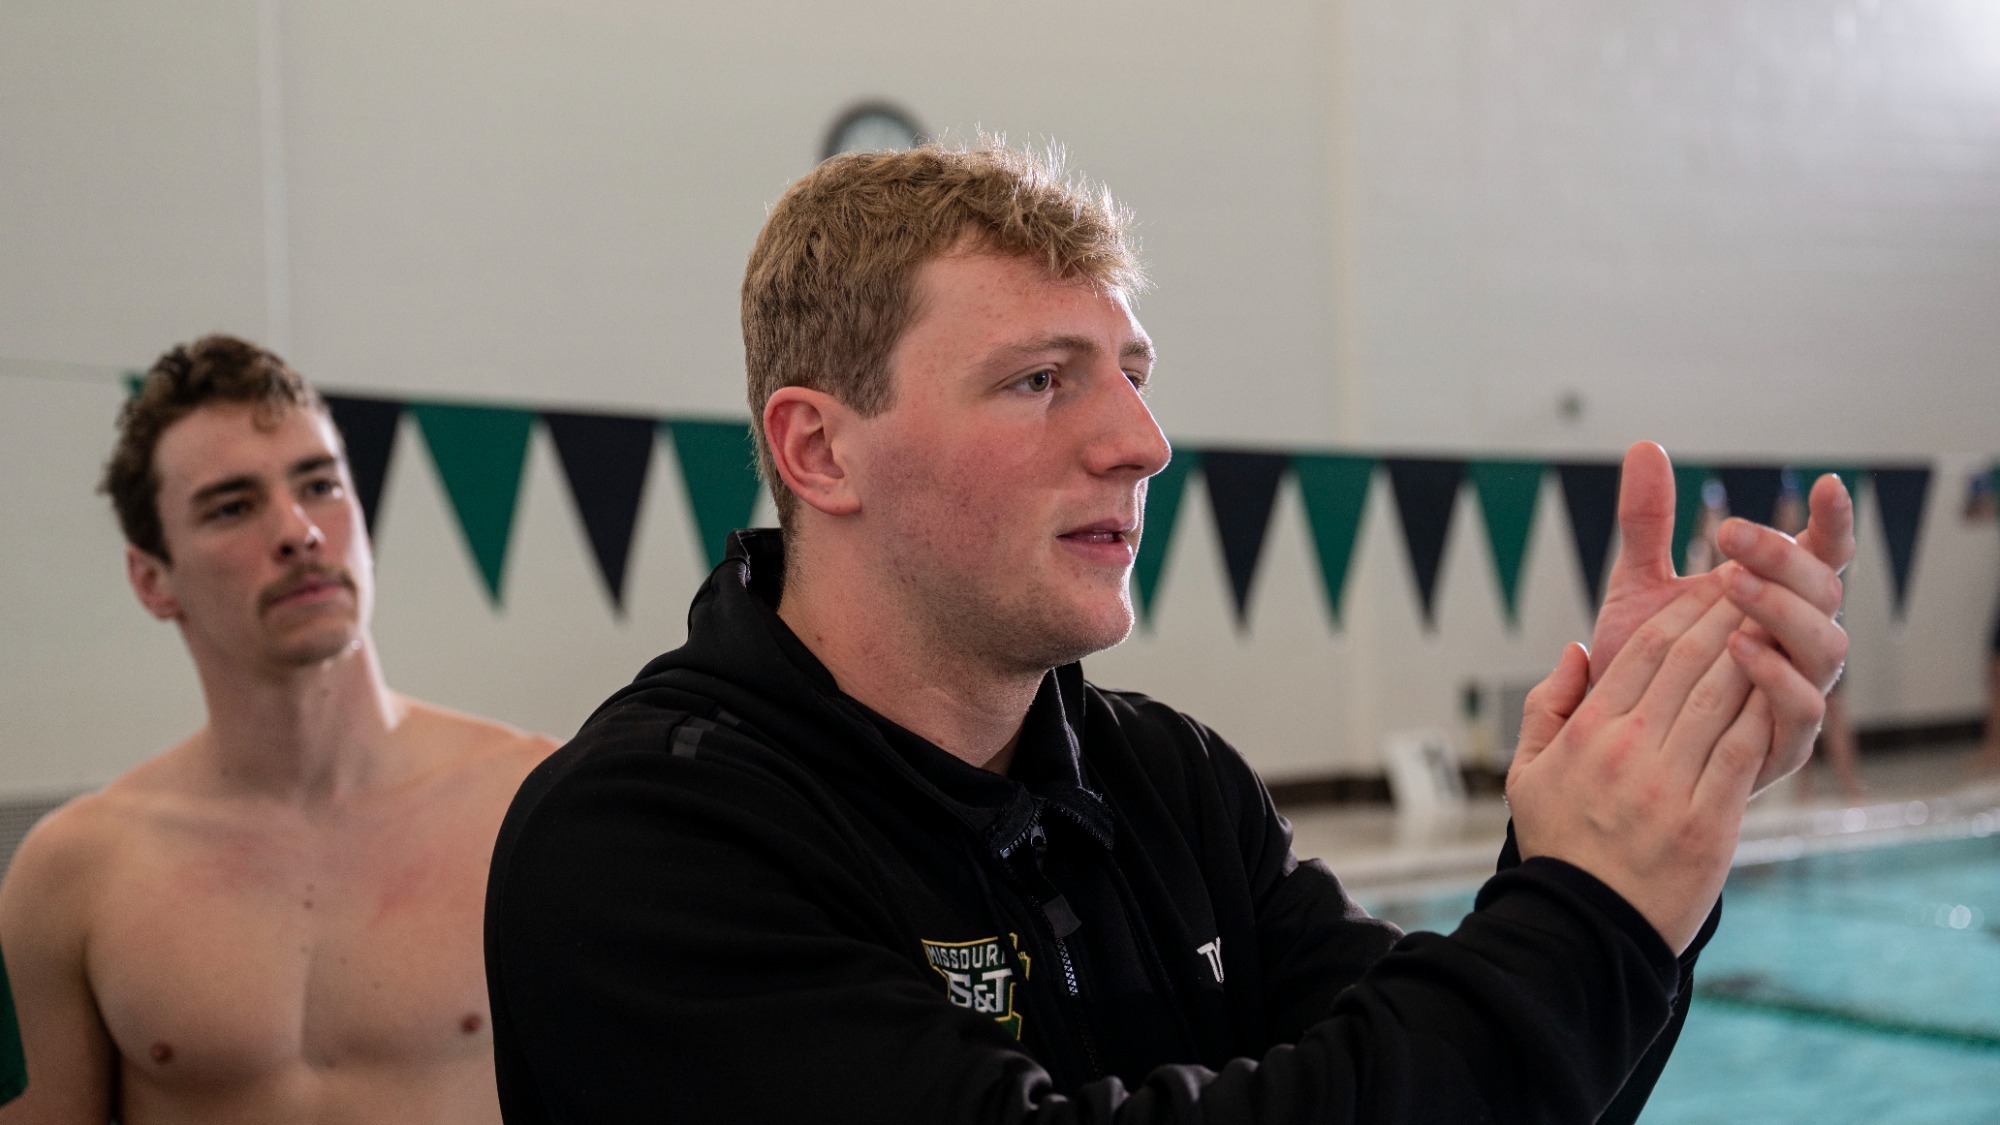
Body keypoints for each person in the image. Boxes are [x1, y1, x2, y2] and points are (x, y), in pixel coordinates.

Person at [486, 142, 1854, 1123]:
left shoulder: (1168, 784)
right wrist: (1587, 897)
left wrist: (1653, 804)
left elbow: (1493, 1085)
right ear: (821, 450)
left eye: (1134, 379)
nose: (1142, 444)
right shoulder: (641, 846)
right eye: (1040, 382)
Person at [0, 336, 555, 1123]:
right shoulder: (74, 874)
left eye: (320, 483)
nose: (298, 531)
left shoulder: (535, 806)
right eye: (232, 506)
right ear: (152, 580)